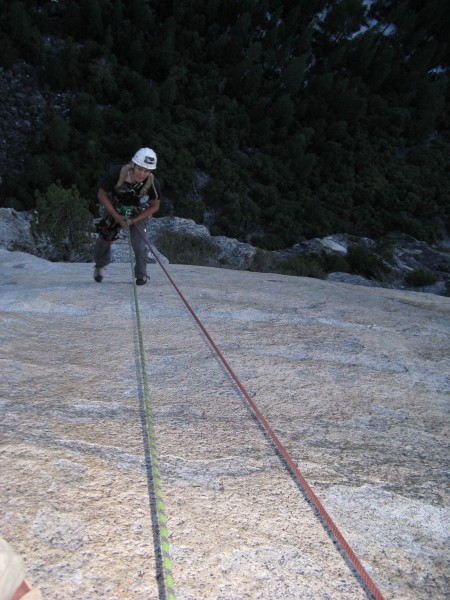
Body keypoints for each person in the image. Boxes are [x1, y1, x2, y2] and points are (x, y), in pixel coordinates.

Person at [93, 147, 161, 285]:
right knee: (105, 237)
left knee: (139, 244)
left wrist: (134, 220)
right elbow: (102, 194)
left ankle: (141, 274)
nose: (143, 174)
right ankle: (100, 265)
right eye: (140, 169)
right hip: (115, 209)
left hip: (137, 213)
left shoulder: (152, 183)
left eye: (147, 171)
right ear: (133, 165)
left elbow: (155, 205)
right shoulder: (117, 173)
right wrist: (116, 217)